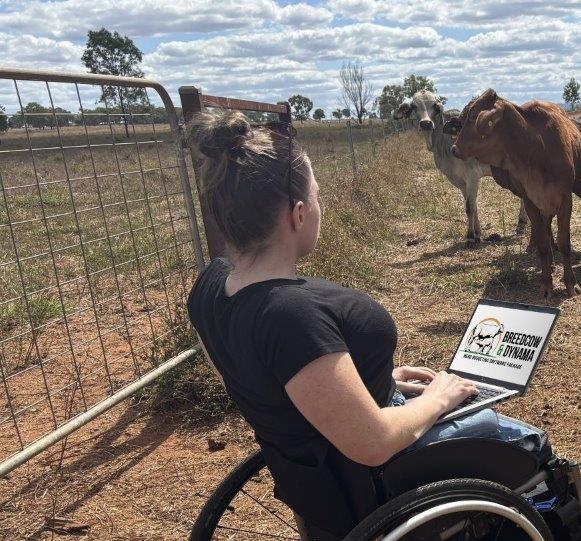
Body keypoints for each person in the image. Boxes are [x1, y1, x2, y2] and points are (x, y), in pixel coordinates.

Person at [185, 110, 548, 472]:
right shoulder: (292, 315)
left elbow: (264, 386)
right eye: (316, 196)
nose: (318, 206)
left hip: (315, 478)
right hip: (376, 475)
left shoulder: (209, 288)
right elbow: (374, 444)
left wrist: (368, 386)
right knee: (529, 443)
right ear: (298, 215)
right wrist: (438, 399)